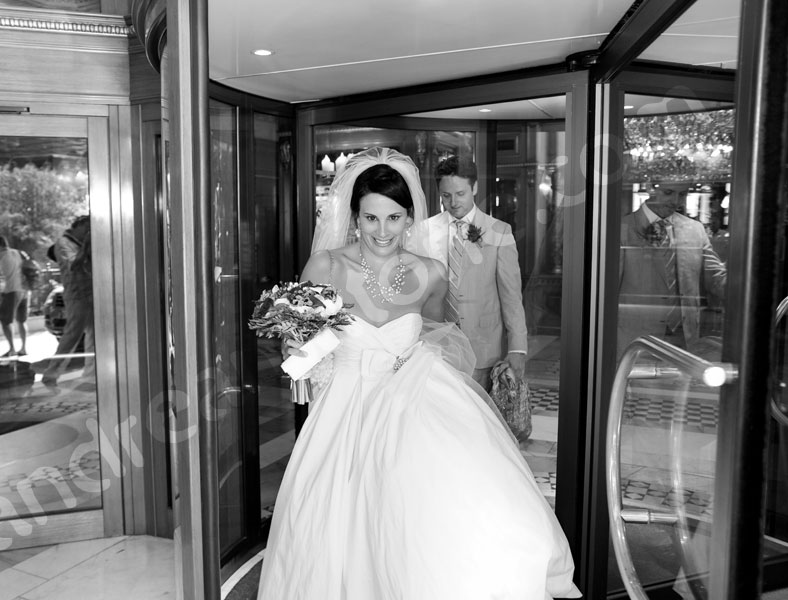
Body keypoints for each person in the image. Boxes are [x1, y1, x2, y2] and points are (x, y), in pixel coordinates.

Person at [257, 147, 579, 599]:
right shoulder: (326, 266)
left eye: (393, 217)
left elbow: (432, 329)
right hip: (346, 408)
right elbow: (304, 341)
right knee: (340, 521)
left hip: (415, 398)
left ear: (410, 218)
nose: (382, 230)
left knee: (440, 508)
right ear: (354, 217)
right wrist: (298, 346)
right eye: (370, 218)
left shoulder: (430, 273)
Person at [421, 155, 528, 390]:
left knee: (479, 420)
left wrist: (517, 348)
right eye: (446, 196)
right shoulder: (423, 231)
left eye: (460, 194)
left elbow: (511, 296)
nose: (453, 202)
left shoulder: (499, 232)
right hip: (437, 346)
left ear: (475, 188)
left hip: (484, 348)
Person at [619, 181, 727, 357]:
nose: (676, 201)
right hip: (637, 340)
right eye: (668, 192)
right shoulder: (621, 228)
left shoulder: (696, 229)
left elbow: (716, 279)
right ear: (649, 188)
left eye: (682, 194)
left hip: (686, 340)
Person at [43, 220, 95, 388]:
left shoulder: (77, 243)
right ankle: (51, 373)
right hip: (77, 295)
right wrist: (87, 245)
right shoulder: (63, 244)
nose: (88, 231)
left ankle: (91, 374)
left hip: (89, 294)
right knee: (72, 335)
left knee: (94, 336)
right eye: (87, 228)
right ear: (78, 227)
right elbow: (74, 265)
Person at [0, 236, 29, 357]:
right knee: (21, 321)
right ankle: (23, 348)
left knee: (5, 320)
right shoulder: (20, 253)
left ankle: (11, 349)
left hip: (12, 291)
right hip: (25, 290)